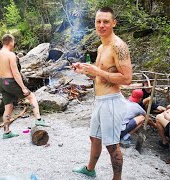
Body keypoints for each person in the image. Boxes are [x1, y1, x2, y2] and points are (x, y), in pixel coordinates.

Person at [71, 7, 132, 180]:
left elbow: (127, 79)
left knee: (112, 145)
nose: (101, 25)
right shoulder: (101, 47)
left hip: (111, 102)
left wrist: (98, 72)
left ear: (114, 23)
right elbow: (98, 73)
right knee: (94, 137)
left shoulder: (118, 46)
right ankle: (90, 169)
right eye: (98, 21)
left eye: (106, 21)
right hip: (100, 100)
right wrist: (84, 70)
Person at [0, 34, 47, 139]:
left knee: (8, 106)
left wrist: (2, 83)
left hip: (2, 82)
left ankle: (7, 132)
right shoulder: (10, 55)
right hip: (10, 81)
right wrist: (23, 87)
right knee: (31, 97)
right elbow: (16, 73)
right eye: (13, 42)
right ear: (11, 42)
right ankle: (39, 120)